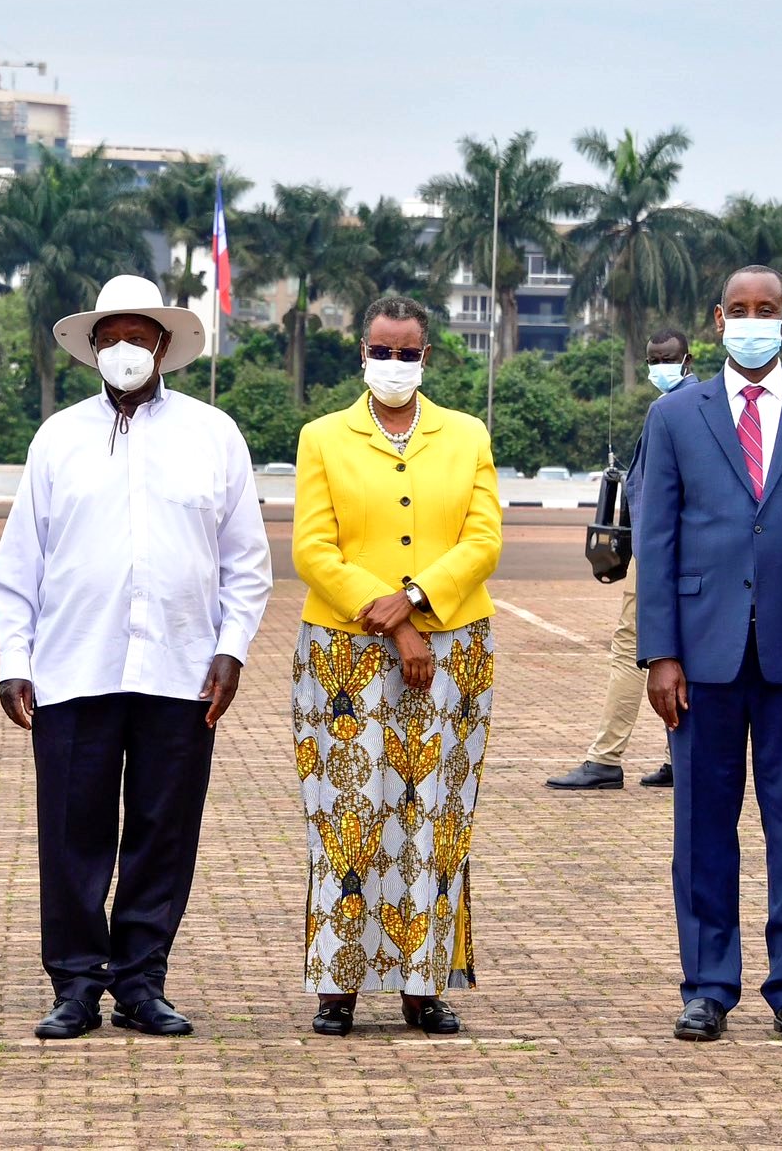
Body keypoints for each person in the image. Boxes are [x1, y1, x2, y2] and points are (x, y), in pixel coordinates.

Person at [0, 275, 272, 1042]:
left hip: (182, 672)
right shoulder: (57, 437)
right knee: (73, 834)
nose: (124, 348)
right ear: (91, 348)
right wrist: (16, 657)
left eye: (138, 335)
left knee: (163, 831)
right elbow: (20, 563)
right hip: (73, 668)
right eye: (108, 335)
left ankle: (142, 982)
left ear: (164, 345)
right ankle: (77, 986)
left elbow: (247, 562)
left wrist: (231, 649)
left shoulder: (215, 436)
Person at [635, 265, 782, 1044]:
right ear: (717, 319)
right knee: (703, 825)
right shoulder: (674, 416)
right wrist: (659, 654)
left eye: (766, 309)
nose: (752, 319)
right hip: (701, 655)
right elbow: (656, 541)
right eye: (739, 309)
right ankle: (708, 982)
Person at [291, 294, 503, 1036]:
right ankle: (337, 986)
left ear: (427, 357)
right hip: (345, 648)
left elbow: (483, 541)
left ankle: (423, 985)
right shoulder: (323, 436)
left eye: (406, 352)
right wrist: (384, 614)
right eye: (380, 352)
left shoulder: (466, 434)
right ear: (361, 352)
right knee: (349, 817)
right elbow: (313, 549)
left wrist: (413, 600)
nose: (393, 365)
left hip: (453, 647)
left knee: (434, 817)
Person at [549, 328, 694, 791]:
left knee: (631, 649)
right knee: (683, 653)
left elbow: (651, 492)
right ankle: (679, 756)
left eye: (665, 358)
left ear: (686, 359)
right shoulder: (707, 404)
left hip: (658, 551)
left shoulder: (667, 409)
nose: (658, 367)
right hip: (691, 554)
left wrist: (642, 558)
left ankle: (606, 758)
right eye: (653, 359)